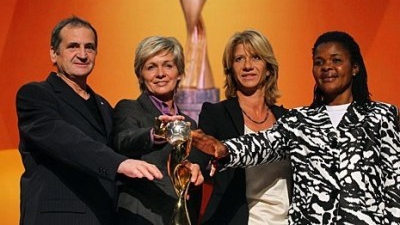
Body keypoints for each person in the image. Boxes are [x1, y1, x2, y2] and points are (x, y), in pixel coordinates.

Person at [192, 31, 400, 224]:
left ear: (355, 67)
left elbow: (394, 184)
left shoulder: (381, 116)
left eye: (336, 60)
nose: (327, 67)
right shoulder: (299, 120)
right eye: (319, 62)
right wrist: (224, 148)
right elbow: (260, 144)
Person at [16, 16, 163, 225]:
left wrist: (156, 136)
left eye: (90, 47)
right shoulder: (36, 95)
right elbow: (65, 139)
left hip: (102, 217)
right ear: (54, 53)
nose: (83, 55)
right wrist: (118, 163)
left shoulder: (103, 105)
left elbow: (121, 144)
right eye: (73, 46)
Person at [197, 29, 291, 224]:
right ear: (230, 69)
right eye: (239, 59)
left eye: (256, 57)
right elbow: (203, 153)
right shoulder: (216, 114)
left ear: (268, 68)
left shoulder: (288, 119)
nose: (247, 66)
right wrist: (192, 164)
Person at [112, 36, 204, 225]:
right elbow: (123, 140)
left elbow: (189, 172)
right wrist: (156, 134)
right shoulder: (129, 108)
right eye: (151, 67)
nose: (160, 73)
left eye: (168, 66)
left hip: (180, 216)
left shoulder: (190, 125)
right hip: (141, 214)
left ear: (179, 72)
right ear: (140, 75)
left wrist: (194, 174)